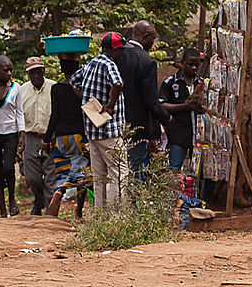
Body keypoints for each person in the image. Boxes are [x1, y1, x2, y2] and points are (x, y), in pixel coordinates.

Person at [70, 32, 128, 207]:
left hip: (93, 130)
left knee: (99, 177)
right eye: (121, 50)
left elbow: (73, 81)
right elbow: (117, 84)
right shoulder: (109, 64)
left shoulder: (91, 64)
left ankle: (101, 217)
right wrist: (109, 105)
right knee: (118, 173)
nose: (123, 53)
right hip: (109, 130)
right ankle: (116, 217)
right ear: (113, 50)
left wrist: (90, 104)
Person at [118, 20, 172, 175]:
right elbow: (150, 100)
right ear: (145, 36)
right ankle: (134, 199)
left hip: (114, 125)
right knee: (136, 170)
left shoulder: (116, 55)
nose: (152, 44)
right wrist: (166, 119)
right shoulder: (146, 62)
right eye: (152, 39)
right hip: (137, 129)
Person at [44, 55, 91, 219]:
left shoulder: (55, 88)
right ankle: (78, 212)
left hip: (61, 137)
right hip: (80, 136)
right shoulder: (82, 89)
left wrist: (46, 138)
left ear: (62, 70)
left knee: (63, 169)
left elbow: (54, 115)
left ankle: (59, 190)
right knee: (83, 174)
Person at [0, 55, 25, 217]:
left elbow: (20, 113)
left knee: (8, 167)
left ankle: (12, 200)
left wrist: (21, 133)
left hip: (11, 134)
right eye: (5, 70)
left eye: (11, 70)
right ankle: (2, 210)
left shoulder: (16, 87)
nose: (9, 73)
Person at [20, 56, 57, 215]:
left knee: (50, 177)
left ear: (43, 71)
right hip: (30, 136)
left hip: (51, 137)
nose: (35, 75)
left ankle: (50, 212)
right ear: (28, 74)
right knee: (31, 177)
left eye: (38, 71)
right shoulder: (22, 90)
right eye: (32, 72)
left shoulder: (53, 87)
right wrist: (20, 139)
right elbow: (18, 116)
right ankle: (38, 202)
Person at [158, 48, 204, 172]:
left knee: (199, 172)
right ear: (182, 62)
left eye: (196, 65)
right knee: (174, 170)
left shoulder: (201, 84)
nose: (194, 68)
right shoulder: (170, 83)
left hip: (198, 137)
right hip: (177, 136)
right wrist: (183, 107)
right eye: (190, 64)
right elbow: (161, 105)